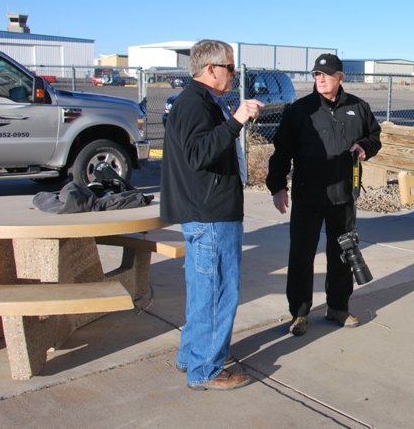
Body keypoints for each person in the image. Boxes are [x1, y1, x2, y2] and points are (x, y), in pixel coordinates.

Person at [160, 39, 264, 391]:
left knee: (204, 290)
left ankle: (193, 355)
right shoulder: (194, 103)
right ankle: (206, 369)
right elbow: (198, 153)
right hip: (211, 215)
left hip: (208, 211)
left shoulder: (201, 101)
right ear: (211, 69)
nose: (234, 74)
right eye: (230, 68)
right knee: (219, 291)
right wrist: (236, 121)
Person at [266, 53, 381, 336]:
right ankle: (300, 313)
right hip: (308, 196)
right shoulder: (300, 110)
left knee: (342, 254)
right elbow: (282, 151)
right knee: (302, 256)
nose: (320, 79)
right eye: (316, 75)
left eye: (326, 75)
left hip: (343, 196)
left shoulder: (359, 107)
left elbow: (375, 136)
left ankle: (338, 307)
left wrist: (366, 146)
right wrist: (277, 186)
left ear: (340, 77)